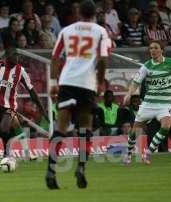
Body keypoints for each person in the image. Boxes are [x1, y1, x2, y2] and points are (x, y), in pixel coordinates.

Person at [46, 0, 111, 190]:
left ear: (78, 12)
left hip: (67, 81)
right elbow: (104, 59)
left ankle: (51, 171)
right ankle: (81, 168)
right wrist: (100, 81)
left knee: (61, 127)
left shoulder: (67, 30)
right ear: (95, 14)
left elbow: (55, 57)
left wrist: (52, 83)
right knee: (85, 128)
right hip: (87, 83)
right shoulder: (100, 31)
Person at [0, 47, 46, 170]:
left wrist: (42, 108)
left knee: (4, 129)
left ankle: (6, 155)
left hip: (9, 107)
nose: (17, 59)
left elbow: (31, 90)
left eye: (18, 56)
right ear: (7, 57)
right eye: (14, 56)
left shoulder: (20, 71)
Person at [123, 41, 171, 165]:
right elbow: (136, 82)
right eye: (150, 48)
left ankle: (148, 153)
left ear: (161, 50)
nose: (152, 50)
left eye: (155, 48)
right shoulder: (147, 66)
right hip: (148, 104)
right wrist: (129, 93)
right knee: (134, 132)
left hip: (164, 105)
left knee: (166, 127)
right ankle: (128, 154)